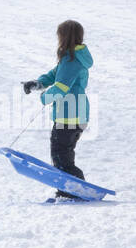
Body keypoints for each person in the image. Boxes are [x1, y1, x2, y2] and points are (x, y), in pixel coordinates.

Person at [21, 20, 93, 198]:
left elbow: (61, 87)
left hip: (70, 114)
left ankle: (72, 192)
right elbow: (54, 75)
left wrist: (44, 97)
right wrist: (37, 83)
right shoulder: (71, 58)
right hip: (75, 113)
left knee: (61, 155)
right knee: (63, 154)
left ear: (64, 37)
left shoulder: (71, 61)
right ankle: (69, 191)